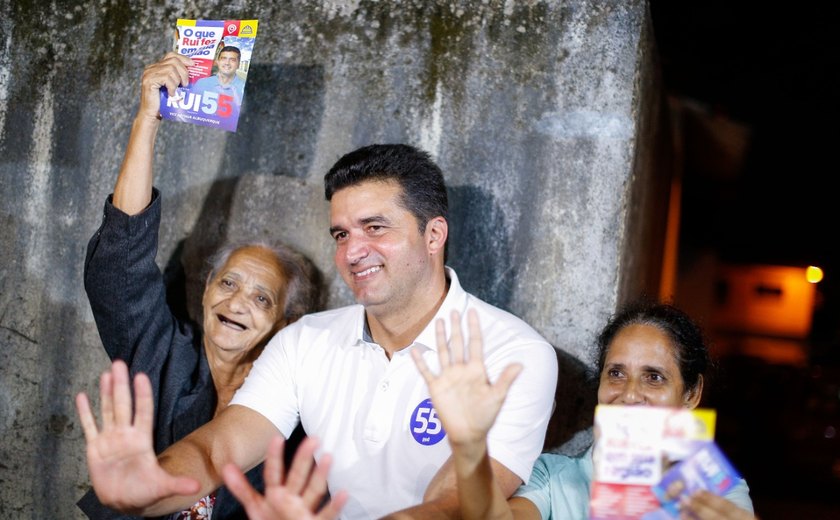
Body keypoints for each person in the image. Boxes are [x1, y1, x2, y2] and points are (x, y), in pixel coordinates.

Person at [74, 138, 560, 518]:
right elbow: (220, 445)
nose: (352, 251)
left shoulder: (517, 354)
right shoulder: (304, 341)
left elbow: (456, 505)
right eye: (341, 234)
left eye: (376, 228)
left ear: (433, 234)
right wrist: (151, 487)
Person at [77, 53, 322, 519]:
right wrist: (147, 118)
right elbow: (118, 267)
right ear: (207, 290)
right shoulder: (164, 356)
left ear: (284, 323)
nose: (235, 302)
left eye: (261, 297)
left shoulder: (300, 409)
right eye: (228, 282)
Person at [412, 300, 757, 519]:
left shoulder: (719, 493)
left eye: (653, 377)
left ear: (691, 393)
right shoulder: (552, 476)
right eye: (616, 373)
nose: (630, 394)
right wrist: (471, 446)